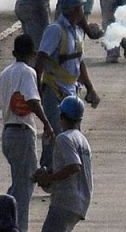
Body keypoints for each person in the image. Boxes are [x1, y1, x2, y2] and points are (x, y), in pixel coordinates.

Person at [34, 0, 99, 172]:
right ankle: (47, 170)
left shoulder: (76, 32)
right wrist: (37, 88)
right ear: (71, 10)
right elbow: (41, 59)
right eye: (80, 7)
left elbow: (79, 62)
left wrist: (90, 89)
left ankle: (60, 171)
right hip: (54, 92)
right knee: (56, 133)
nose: (82, 11)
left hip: (71, 92)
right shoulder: (55, 30)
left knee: (70, 136)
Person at [0, 35, 54, 232]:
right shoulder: (28, 72)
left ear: (14, 53)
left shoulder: (5, 73)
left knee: (18, 184)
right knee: (24, 188)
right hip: (22, 133)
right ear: (32, 54)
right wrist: (47, 124)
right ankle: (18, 229)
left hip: (7, 133)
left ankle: (4, 220)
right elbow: (32, 100)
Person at [33, 96, 92, 232]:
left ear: (62, 116)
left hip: (65, 202)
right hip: (80, 202)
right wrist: (48, 175)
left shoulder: (64, 138)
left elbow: (74, 166)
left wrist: (49, 178)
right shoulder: (82, 139)